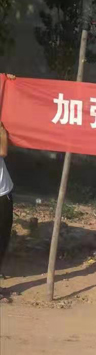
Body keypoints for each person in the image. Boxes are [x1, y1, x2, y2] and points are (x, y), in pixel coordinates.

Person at [0, 119, 14, 303]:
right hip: (1, 195)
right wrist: (2, 132)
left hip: (4, 193)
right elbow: (3, 151)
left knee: (3, 240)